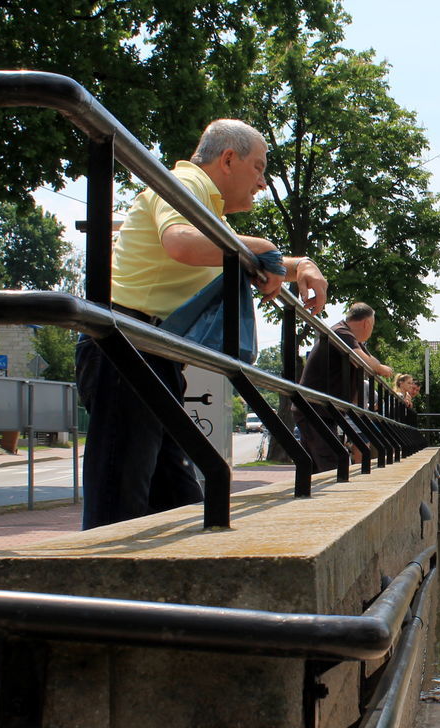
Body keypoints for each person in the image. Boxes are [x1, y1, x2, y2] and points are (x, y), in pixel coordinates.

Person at [76, 119, 327, 530]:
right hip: (124, 348)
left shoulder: (207, 209)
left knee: (177, 498)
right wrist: (263, 249)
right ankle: (92, 589)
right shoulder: (185, 185)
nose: (262, 182)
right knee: (120, 501)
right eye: (259, 167)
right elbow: (182, 243)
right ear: (228, 159)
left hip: (150, 350)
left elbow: (232, 249)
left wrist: (302, 265)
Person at [293, 302, 394, 472]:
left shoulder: (351, 339)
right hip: (314, 408)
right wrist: (382, 368)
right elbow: (368, 363)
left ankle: (309, 495)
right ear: (367, 323)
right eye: (373, 326)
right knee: (333, 462)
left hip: (322, 409)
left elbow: (367, 361)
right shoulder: (341, 332)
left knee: (317, 465)